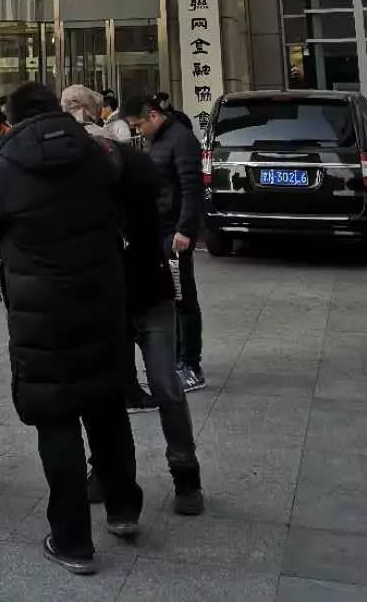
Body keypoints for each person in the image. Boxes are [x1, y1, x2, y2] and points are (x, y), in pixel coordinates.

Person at [0, 82, 142, 576]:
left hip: (41, 310)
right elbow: (132, 190)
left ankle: (72, 540)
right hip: (101, 298)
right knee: (107, 406)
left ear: (13, 117)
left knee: (57, 417)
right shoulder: (97, 153)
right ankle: (123, 509)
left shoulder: (6, 166)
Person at [109, 139, 205, 514]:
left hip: (151, 299)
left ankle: (186, 474)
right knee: (107, 393)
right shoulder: (85, 206)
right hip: (111, 305)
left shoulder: (144, 200)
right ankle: (106, 473)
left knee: (166, 385)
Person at [137, 94, 206, 391]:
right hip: (160, 231)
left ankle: (191, 364)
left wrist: (185, 229)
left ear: (153, 116)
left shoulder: (181, 139)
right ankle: (175, 358)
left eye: (139, 124)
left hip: (176, 234)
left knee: (182, 297)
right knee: (168, 296)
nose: (138, 130)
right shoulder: (157, 140)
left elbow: (191, 188)